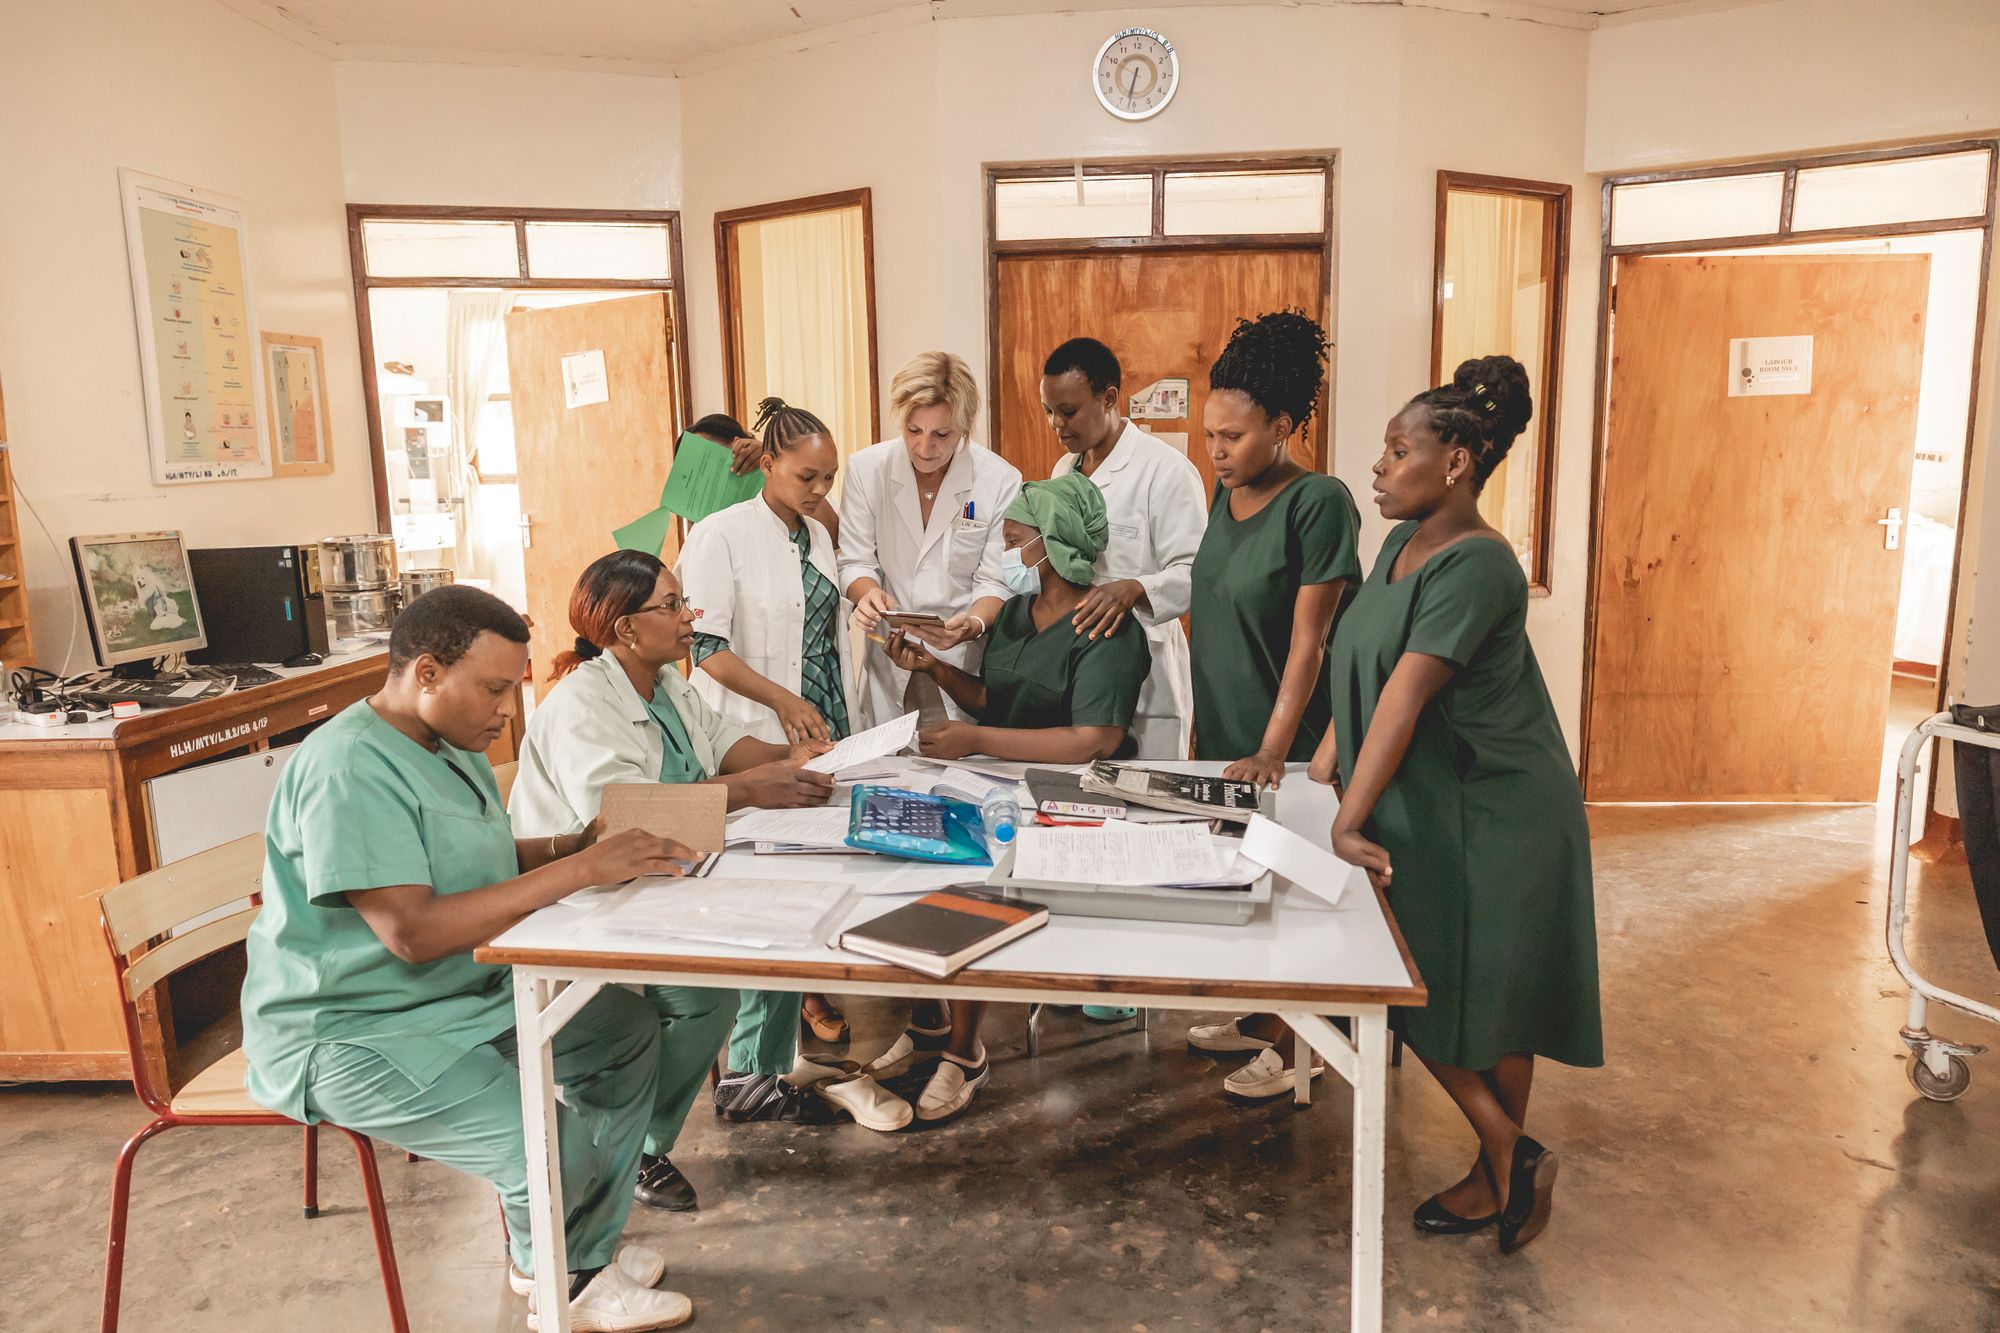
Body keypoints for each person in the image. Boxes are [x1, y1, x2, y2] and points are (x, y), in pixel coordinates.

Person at [239, 586, 697, 1330]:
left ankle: (571, 1248)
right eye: (492, 688)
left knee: (622, 1031)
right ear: (426, 672)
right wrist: (579, 872)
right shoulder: (349, 767)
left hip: (456, 991)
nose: (506, 710)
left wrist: (572, 846)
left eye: (511, 688)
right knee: (545, 1141)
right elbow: (412, 928)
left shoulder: (443, 740)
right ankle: (562, 1281)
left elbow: (468, 859)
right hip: (354, 1028)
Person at [1326, 355, 1602, 1254]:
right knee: (1410, 972)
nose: (1378, 464)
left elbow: (1406, 693)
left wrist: (1344, 817)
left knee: (1492, 992)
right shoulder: (1395, 545)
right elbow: (1357, 666)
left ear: (1454, 463)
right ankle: (1510, 1156)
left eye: (1397, 448)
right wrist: (1317, 768)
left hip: (1503, 805)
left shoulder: (1482, 565)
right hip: (1434, 790)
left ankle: (1499, 1171)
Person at [508, 551, 871, 1195]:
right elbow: (621, 820)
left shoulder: (668, 685)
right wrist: (753, 789)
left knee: (786, 922)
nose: (688, 617)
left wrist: (798, 756)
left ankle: (751, 1081)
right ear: (625, 629)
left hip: (669, 874)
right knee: (707, 996)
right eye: (672, 605)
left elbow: (730, 746)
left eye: (683, 603)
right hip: (589, 897)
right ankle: (632, 1148)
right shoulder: (583, 705)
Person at [880, 471, 1151, 1118]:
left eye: (1012, 541)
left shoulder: (1106, 628)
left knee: (982, 884)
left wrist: (976, 740)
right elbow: (995, 698)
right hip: (999, 779)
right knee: (918, 863)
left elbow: (1095, 739)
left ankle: (965, 1051)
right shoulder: (1015, 617)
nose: (1004, 556)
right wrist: (936, 669)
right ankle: (931, 1020)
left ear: (1049, 546)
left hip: (1073, 797)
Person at [1181, 312, 1361, 1062]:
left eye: (1233, 437)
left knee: (1298, 896)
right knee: (1246, 884)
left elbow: (1311, 641)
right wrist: (1205, 728)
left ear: (1282, 424)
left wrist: (1271, 749)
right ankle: (1266, 1018)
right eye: (1210, 433)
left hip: (1284, 743)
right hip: (1225, 727)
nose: (1215, 451)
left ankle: (1299, 1044)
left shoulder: (1318, 502)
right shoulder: (1227, 494)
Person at [676, 396, 856, 1045]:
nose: (819, 489)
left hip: (824, 719)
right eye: (806, 476)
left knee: (811, 880)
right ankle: (757, 1059)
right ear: (768, 463)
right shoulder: (720, 534)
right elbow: (705, 647)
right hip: (756, 728)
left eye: (828, 476)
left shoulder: (818, 532)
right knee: (762, 893)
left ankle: (793, 1011)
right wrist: (783, 700)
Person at [1039, 337, 1206, 762]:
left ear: (1109, 398)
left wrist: (1136, 588)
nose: (1057, 424)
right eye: (1049, 412)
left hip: (1147, 669)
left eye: (1069, 411)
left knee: (1149, 806)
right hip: (1078, 663)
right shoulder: (1064, 471)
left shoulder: (1165, 471)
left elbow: (1197, 573)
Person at [838, 351, 1021, 730]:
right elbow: (855, 560)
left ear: (967, 425)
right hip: (888, 653)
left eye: (942, 434)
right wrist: (867, 593)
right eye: (913, 430)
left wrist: (970, 624)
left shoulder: (999, 480)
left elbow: (995, 579)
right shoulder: (866, 469)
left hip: (960, 661)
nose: (924, 448)